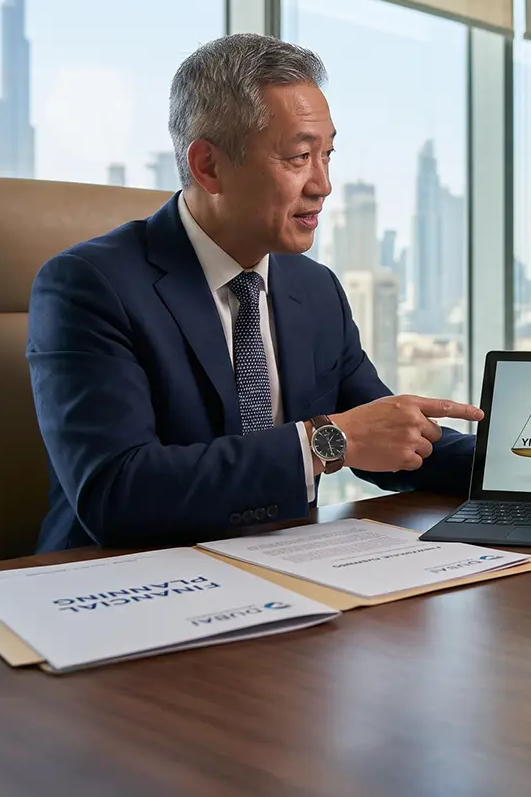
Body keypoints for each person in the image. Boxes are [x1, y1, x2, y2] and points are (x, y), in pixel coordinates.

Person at [28, 34, 482, 552]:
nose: (323, 184)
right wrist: (326, 442)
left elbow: (385, 435)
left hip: (287, 573)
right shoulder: (88, 285)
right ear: (209, 167)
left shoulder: (315, 290)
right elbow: (117, 494)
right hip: (118, 592)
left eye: (327, 154)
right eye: (299, 157)